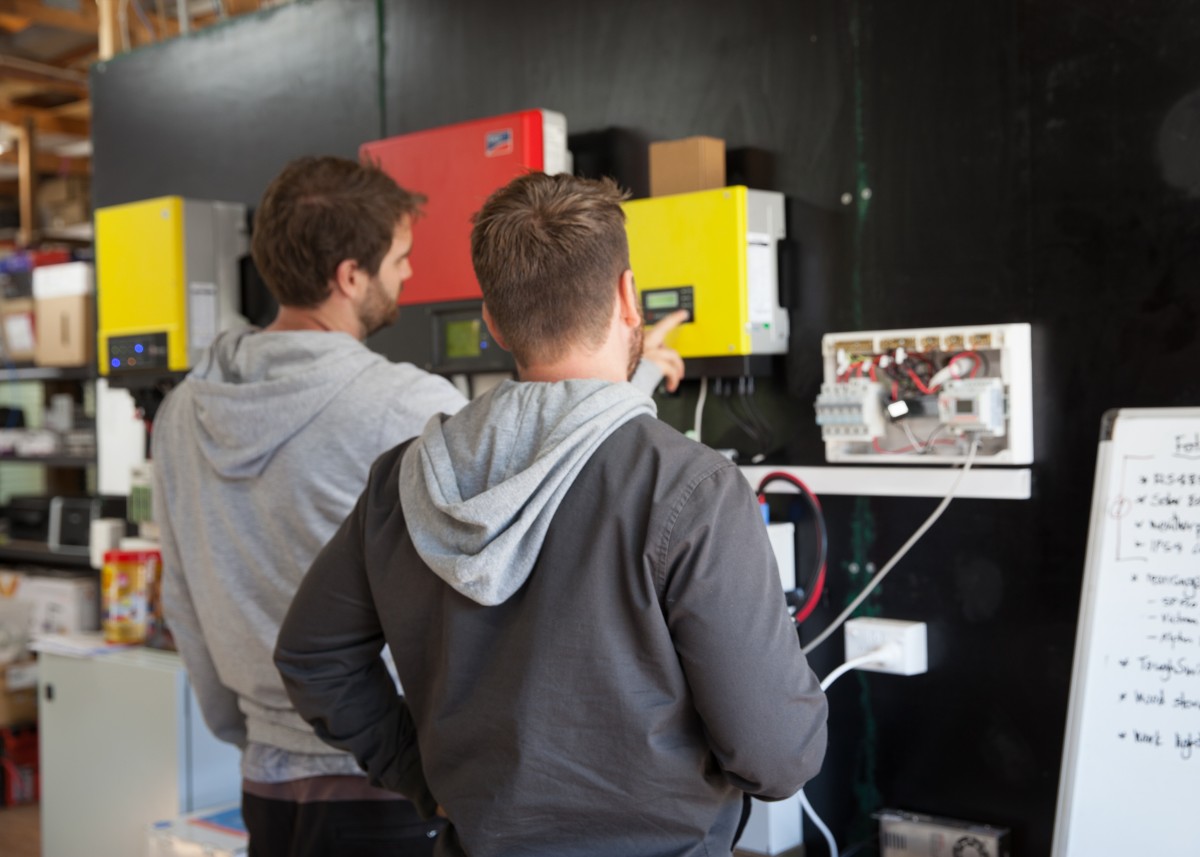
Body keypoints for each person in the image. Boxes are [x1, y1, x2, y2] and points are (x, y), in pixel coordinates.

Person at [275, 171, 828, 857]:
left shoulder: (403, 479)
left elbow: (311, 655)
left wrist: (423, 776)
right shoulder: (691, 489)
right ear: (628, 299)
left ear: (493, 321)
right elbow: (777, 756)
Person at [153, 156, 686, 857]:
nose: (407, 276)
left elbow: (183, 599)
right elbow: (544, 487)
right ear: (350, 276)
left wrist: (250, 731)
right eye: (400, 259)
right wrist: (636, 373)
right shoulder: (406, 409)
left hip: (267, 780)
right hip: (389, 782)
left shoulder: (182, 409)